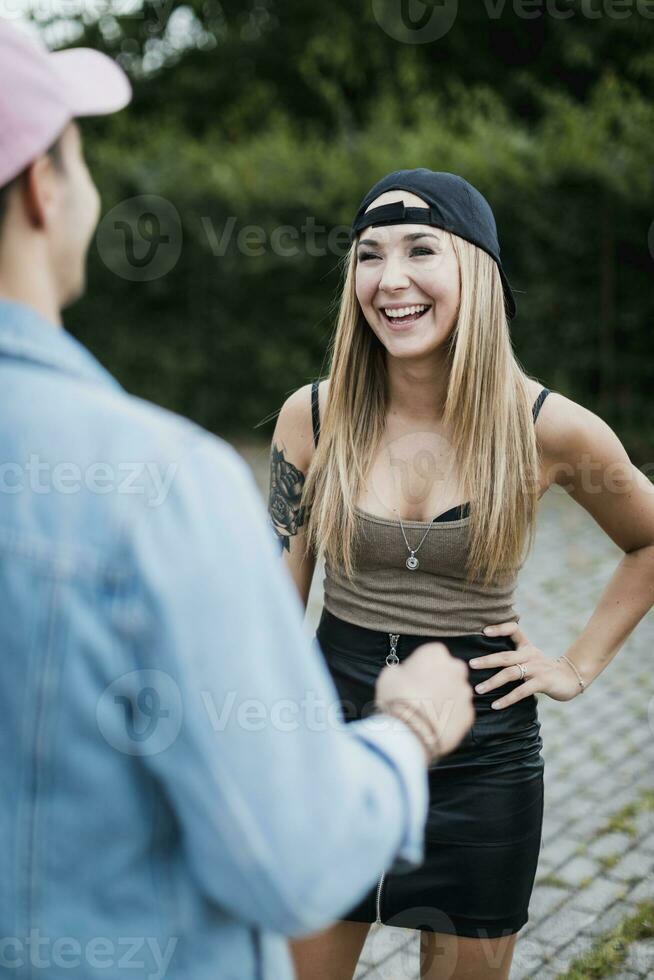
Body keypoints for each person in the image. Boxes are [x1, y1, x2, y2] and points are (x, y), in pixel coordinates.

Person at [0, 23, 476, 980]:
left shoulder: (545, 426)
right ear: (47, 190)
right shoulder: (158, 485)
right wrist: (410, 729)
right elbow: (290, 855)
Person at [269, 168, 654, 979]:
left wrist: (576, 666)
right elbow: (274, 602)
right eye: (369, 255)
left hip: (484, 770)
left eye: (420, 250)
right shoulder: (313, 414)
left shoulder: (549, 428)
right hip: (333, 745)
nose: (390, 279)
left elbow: (648, 540)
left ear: (475, 271)